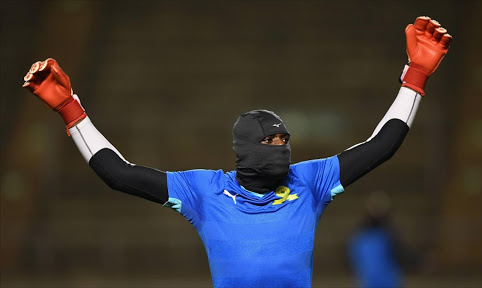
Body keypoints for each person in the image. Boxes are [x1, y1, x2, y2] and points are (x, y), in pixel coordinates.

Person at [22, 16, 451, 288]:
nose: (281, 151)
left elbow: (382, 145)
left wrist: (415, 76)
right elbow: (119, 173)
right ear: (244, 150)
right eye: (270, 143)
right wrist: (70, 108)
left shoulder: (311, 182)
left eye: (285, 142)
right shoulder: (205, 191)